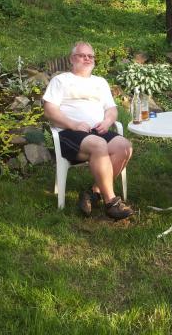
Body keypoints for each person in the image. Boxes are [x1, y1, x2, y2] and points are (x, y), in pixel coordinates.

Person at [43, 41, 134, 220]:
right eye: (82, 55)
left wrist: (107, 122)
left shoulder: (100, 82)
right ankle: (111, 203)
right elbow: (49, 110)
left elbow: (111, 109)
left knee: (125, 147)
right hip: (69, 132)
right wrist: (73, 124)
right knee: (99, 145)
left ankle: (93, 192)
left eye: (90, 56)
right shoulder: (60, 80)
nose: (87, 59)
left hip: (98, 130)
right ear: (72, 59)